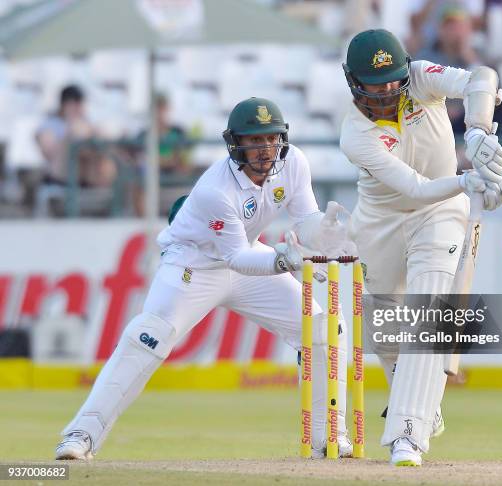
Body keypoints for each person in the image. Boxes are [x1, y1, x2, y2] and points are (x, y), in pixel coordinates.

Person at [55, 97, 355, 460]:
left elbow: (305, 219)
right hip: (192, 266)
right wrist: (282, 262)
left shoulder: (294, 163)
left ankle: (329, 437)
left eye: (271, 139)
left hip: (248, 252)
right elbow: (236, 259)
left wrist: (323, 233)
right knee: (148, 338)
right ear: (235, 143)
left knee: (323, 328)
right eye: (254, 140)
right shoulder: (217, 189)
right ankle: (80, 435)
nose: (264, 149)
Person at [339, 29, 502, 466]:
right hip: (380, 221)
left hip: (440, 214)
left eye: (393, 81)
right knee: (385, 330)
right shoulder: (355, 133)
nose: (385, 91)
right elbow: (414, 188)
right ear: (353, 82)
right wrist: (467, 179)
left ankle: (407, 435)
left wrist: (475, 132)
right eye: (373, 84)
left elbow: (481, 77)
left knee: (428, 307)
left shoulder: (419, 77)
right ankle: (420, 405)